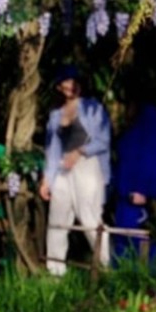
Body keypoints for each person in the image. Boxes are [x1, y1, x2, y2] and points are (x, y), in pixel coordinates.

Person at [38, 64, 111, 275]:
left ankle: (106, 269)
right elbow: (52, 150)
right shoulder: (55, 115)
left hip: (87, 166)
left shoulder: (93, 109)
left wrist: (79, 152)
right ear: (59, 87)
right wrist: (46, 180)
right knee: (57, 221)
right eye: (64, 82)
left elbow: (103, 140)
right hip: (62, 169)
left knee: (89, 217)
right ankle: (55, 273)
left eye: (71, 81)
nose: (68, 86)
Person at [111, 102, 156, 268]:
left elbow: (150, 155)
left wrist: (142, 188)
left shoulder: (148, 117)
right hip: (125, 193)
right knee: (124, 237)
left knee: (134, 237)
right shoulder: (134, 126)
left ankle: (148, 275)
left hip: (135, 194)